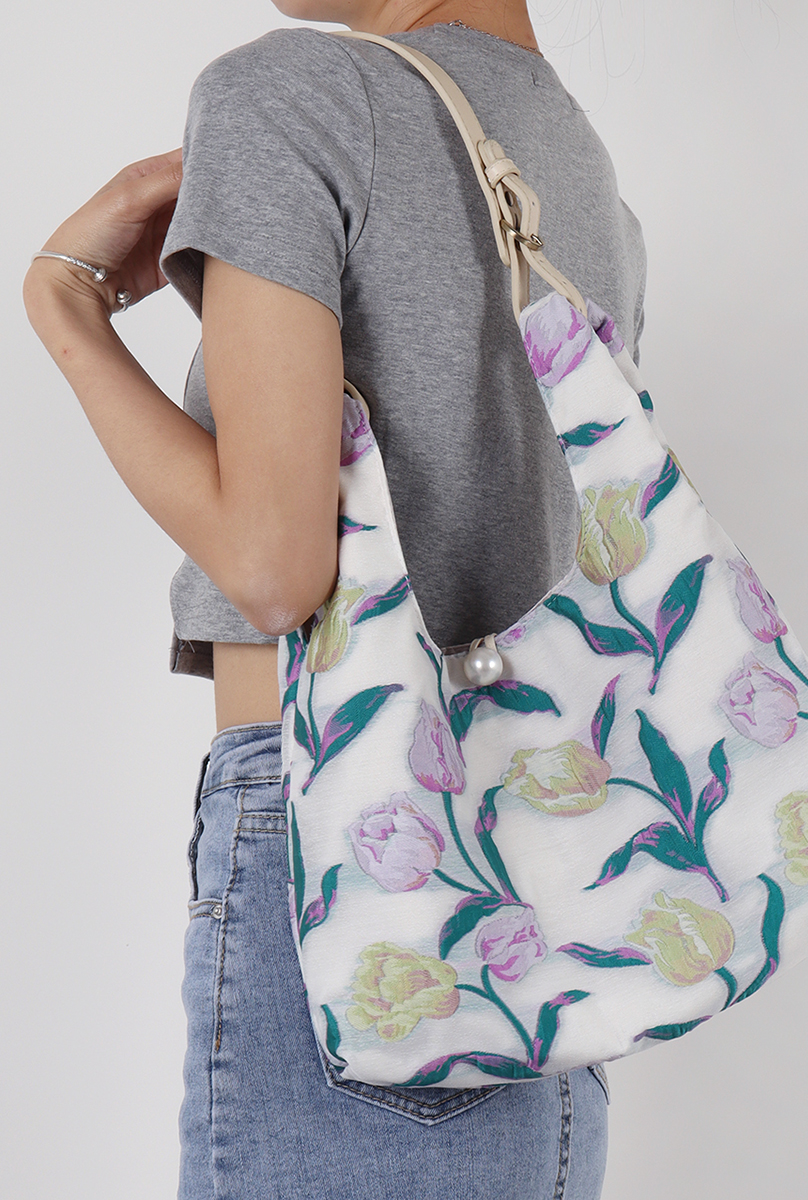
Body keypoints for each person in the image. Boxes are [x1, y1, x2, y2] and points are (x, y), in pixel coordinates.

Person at [24, 2, 645, 1196]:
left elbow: (274, 569)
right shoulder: (571, 154)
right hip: (553, 885)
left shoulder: (293, 90)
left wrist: (67, 308)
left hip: (354, 840)